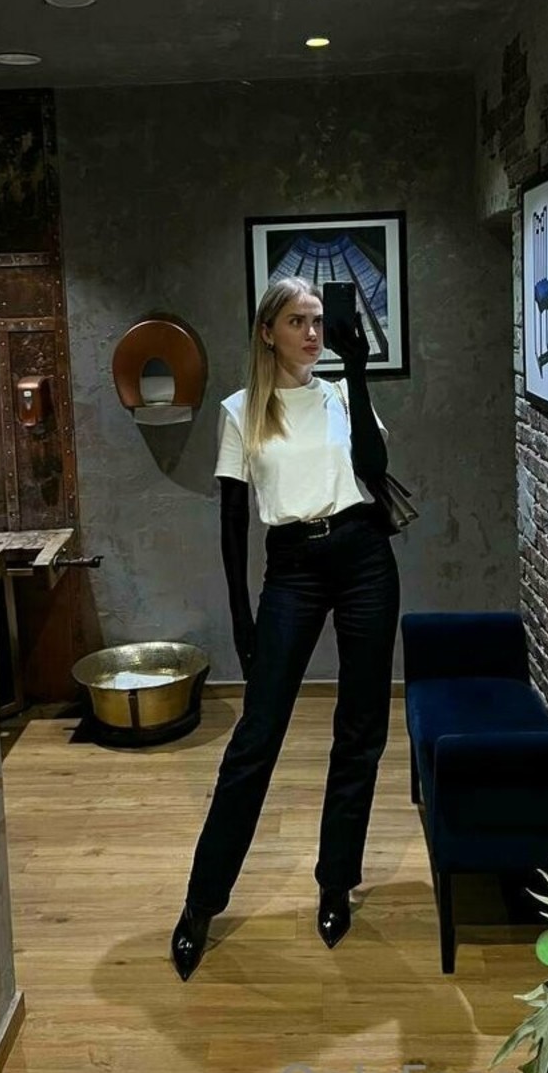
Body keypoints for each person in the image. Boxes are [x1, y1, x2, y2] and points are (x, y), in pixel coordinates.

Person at [170, 275, 401, 981]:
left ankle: (336, 882)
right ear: (267, 331)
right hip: (293, 568)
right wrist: (241, 616)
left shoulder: (341, 394)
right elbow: (232, 521)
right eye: (297, 321)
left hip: (364, 556)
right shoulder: (240, 410)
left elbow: (374, 471)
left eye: (318, 319)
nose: (312, 332)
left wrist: (357, 370)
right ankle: (201, 903)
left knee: (360, 728)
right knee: (256, 737)